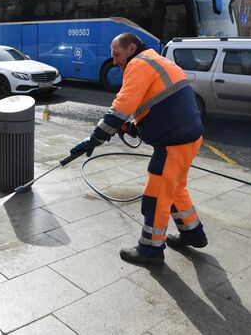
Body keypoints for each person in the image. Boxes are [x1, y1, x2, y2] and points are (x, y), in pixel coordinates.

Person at [69, 32, 207, 265]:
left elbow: (121, 107)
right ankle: (193, 233)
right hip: (189, 137)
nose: (115, 61)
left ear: (131, 49)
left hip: (173, 142)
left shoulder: (138, 65)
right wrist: (135, 125)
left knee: (156, 195)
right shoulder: (156, 60)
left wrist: (95, 138)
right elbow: (159, 100)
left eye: (117, 55)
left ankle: (150, 250)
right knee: (174, 188)